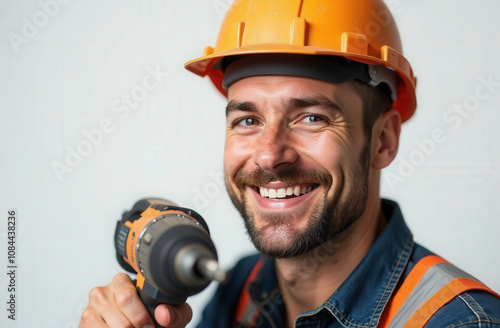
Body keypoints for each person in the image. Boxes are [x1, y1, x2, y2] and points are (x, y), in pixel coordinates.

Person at [79, 1, 500, 327]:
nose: (268, 154)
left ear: (382, 141)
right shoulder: (243, 292)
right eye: (247, 120)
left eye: (311, 118)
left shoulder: (461, 320)